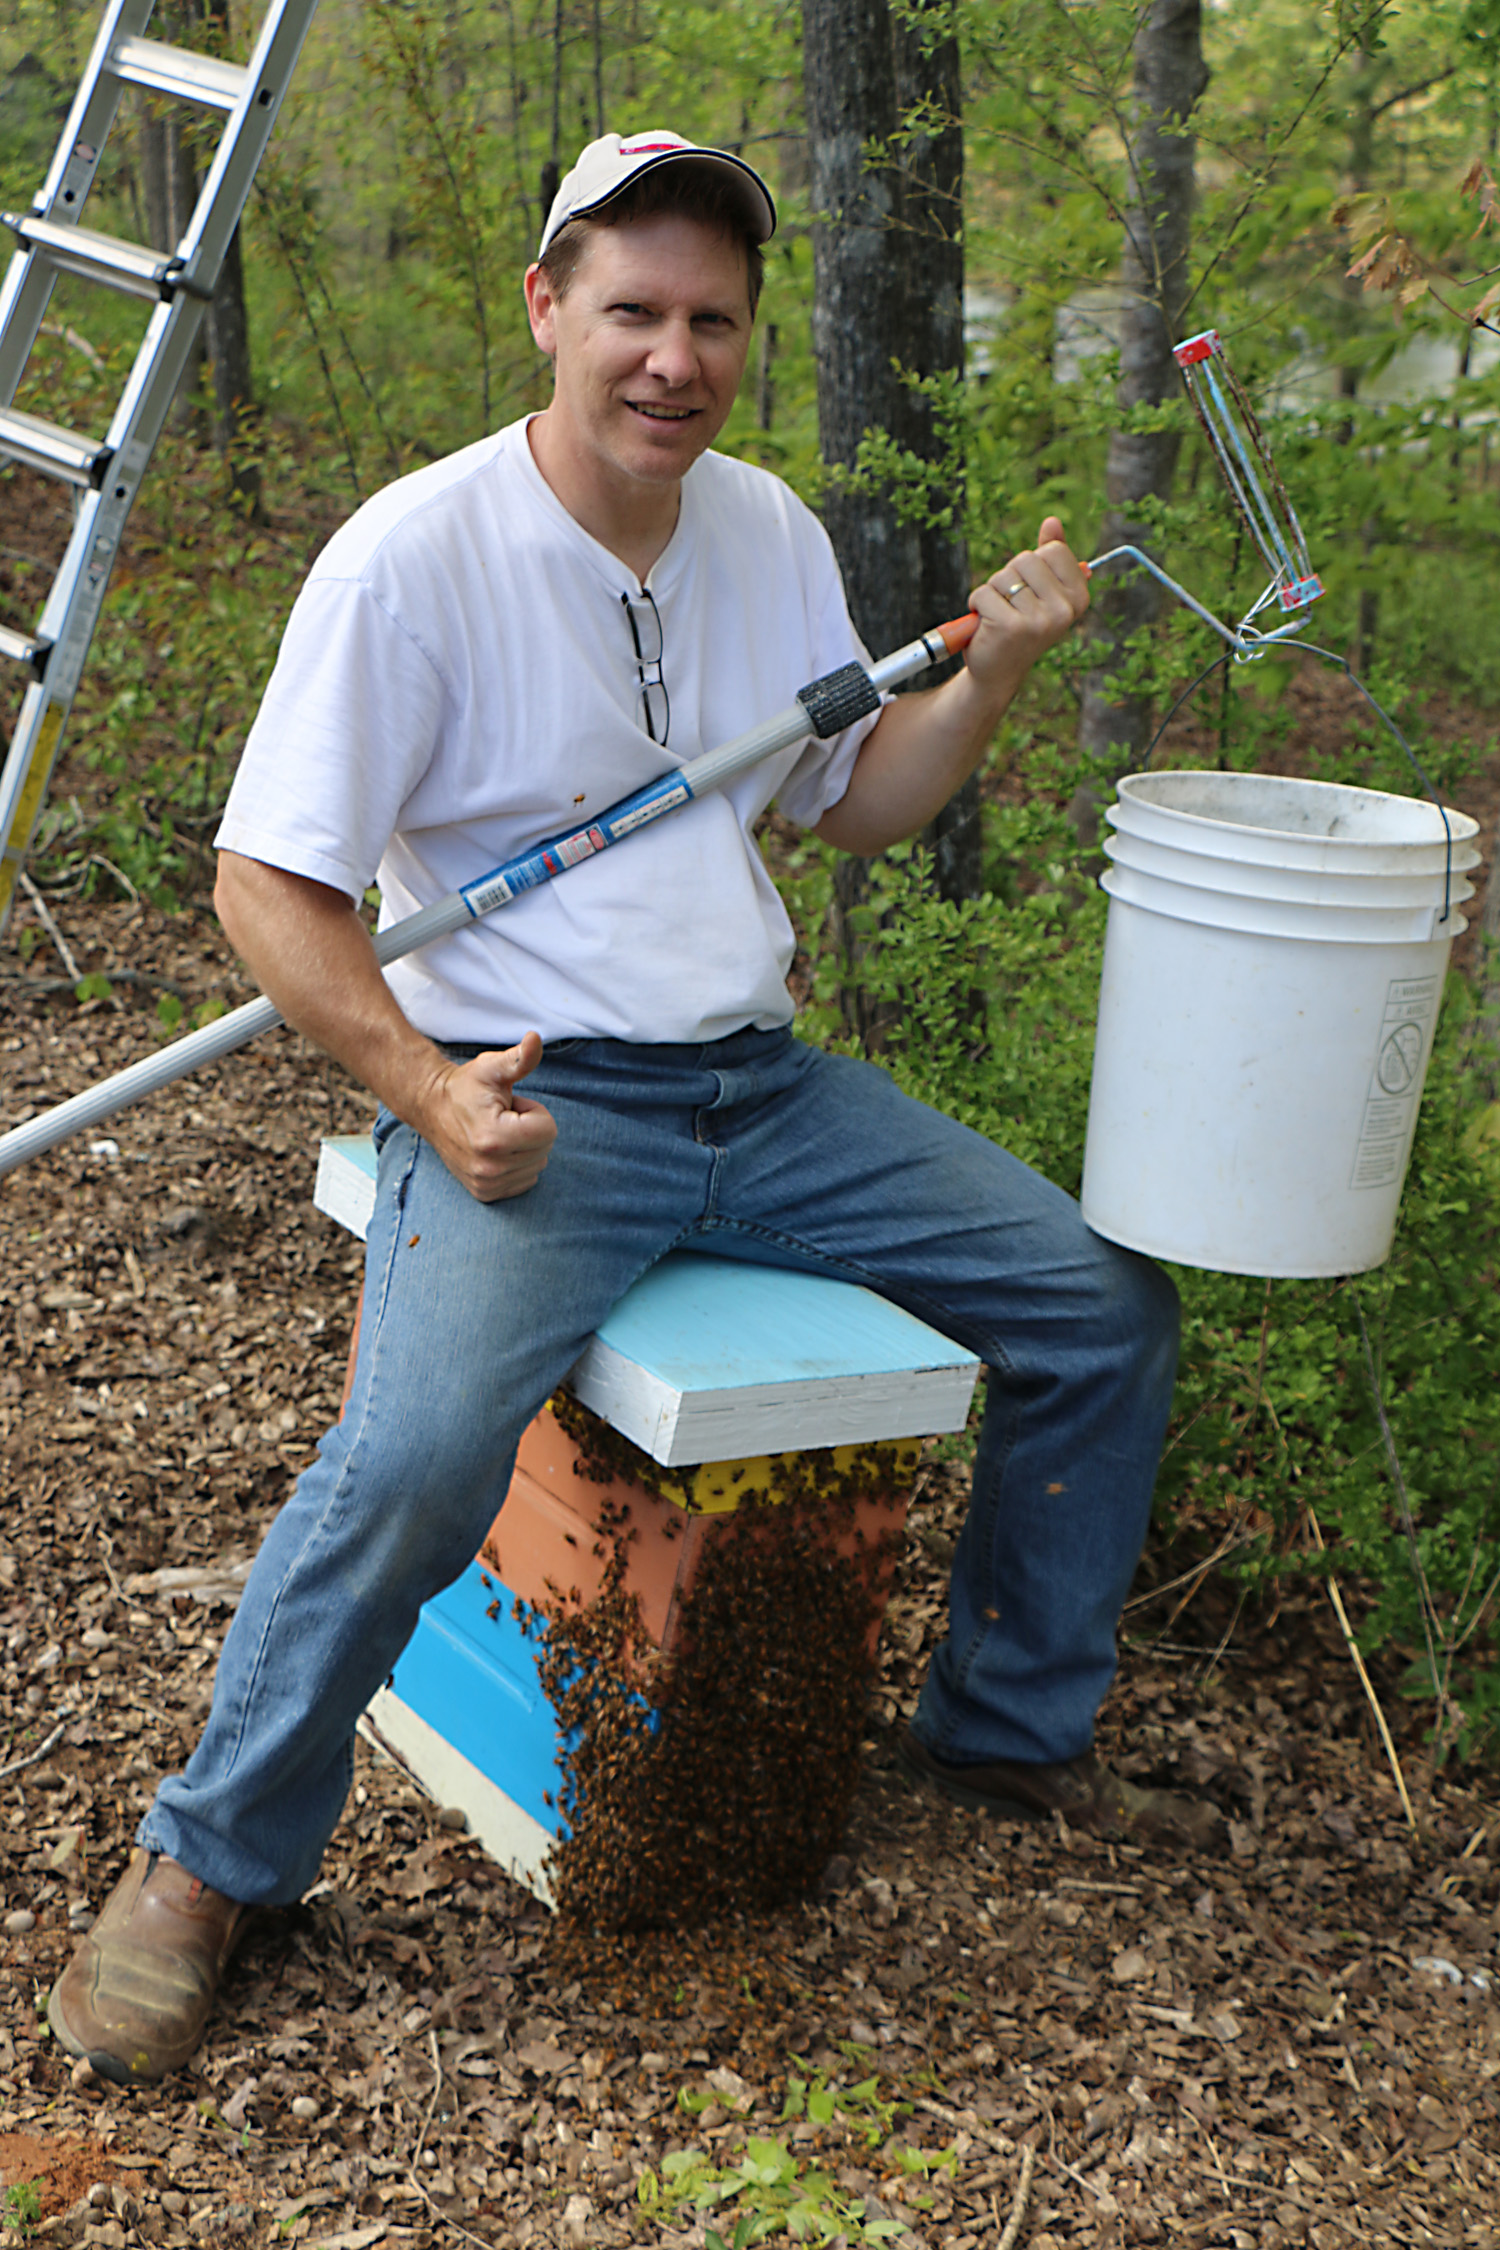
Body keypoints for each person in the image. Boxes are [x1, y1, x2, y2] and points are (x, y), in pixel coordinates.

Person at [49, 128, 1217, 2089]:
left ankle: (1004, 1741)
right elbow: (270, 883)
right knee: (416, 1457)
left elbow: (850, 806)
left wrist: (993, 674)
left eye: (713, 320)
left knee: (1103, 1310)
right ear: (546, 309)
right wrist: (425, 1087)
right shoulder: (414, 557)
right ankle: (205, 1871)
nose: (675, 357)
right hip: (530, 1103)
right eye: (634, 313)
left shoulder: (765, 533)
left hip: (760, 1093)